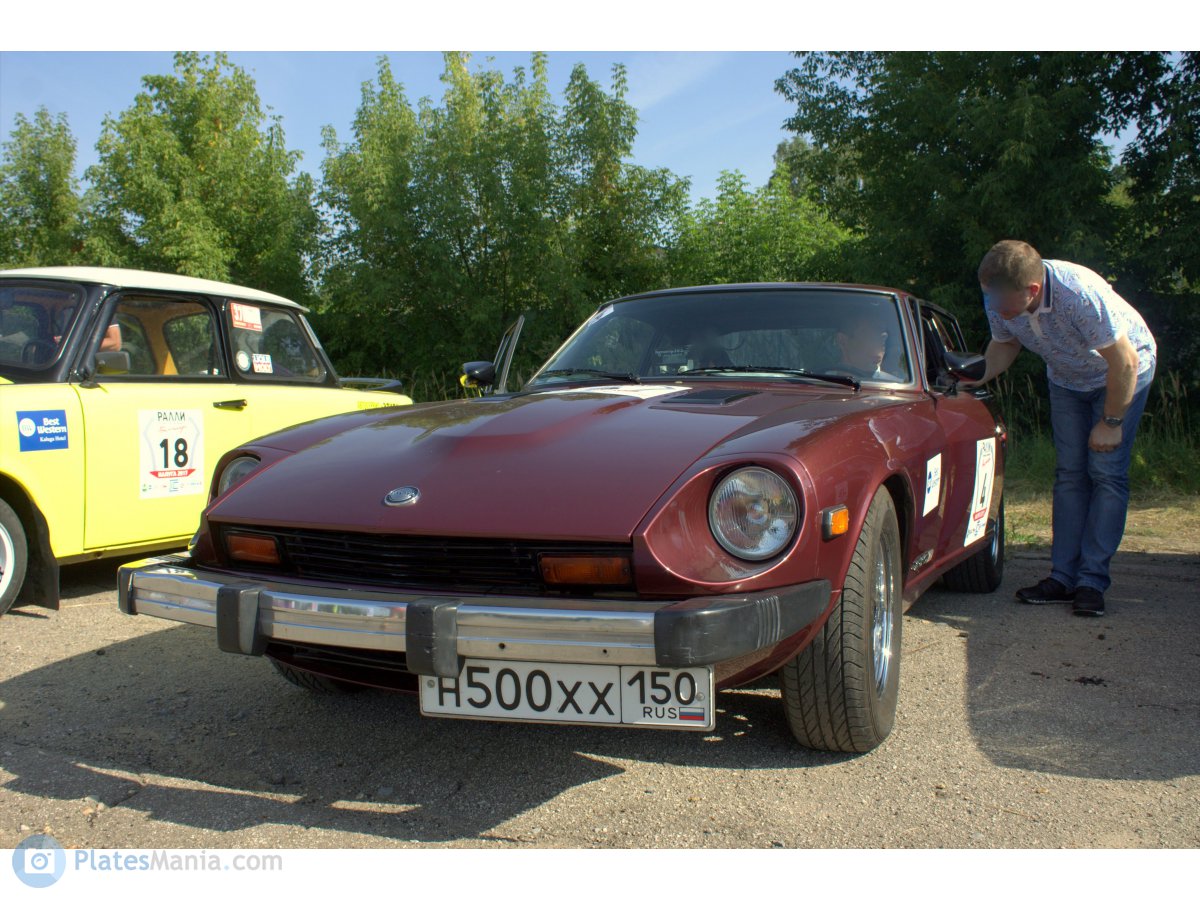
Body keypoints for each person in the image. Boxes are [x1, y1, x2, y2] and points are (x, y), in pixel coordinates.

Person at [972, 240, 1156, 617]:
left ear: (1032, 291)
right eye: (988, 298)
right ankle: (1063, 578)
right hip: (1067, 380)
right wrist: (970, 379)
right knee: (1070, 474)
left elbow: (1125, 362)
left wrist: (1111, 422)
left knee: (1105, 473)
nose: (994, 308)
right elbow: (1004, 345)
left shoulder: (1078, 295)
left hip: (1121, 375)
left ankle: (1091, 582)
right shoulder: (1001, 295)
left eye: (999, 301)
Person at [831, 313, 902, 382]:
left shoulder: (898, 388)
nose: (883, 337)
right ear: (843, 341)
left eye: (883, 332)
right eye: (871, 331)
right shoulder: (822, 381)